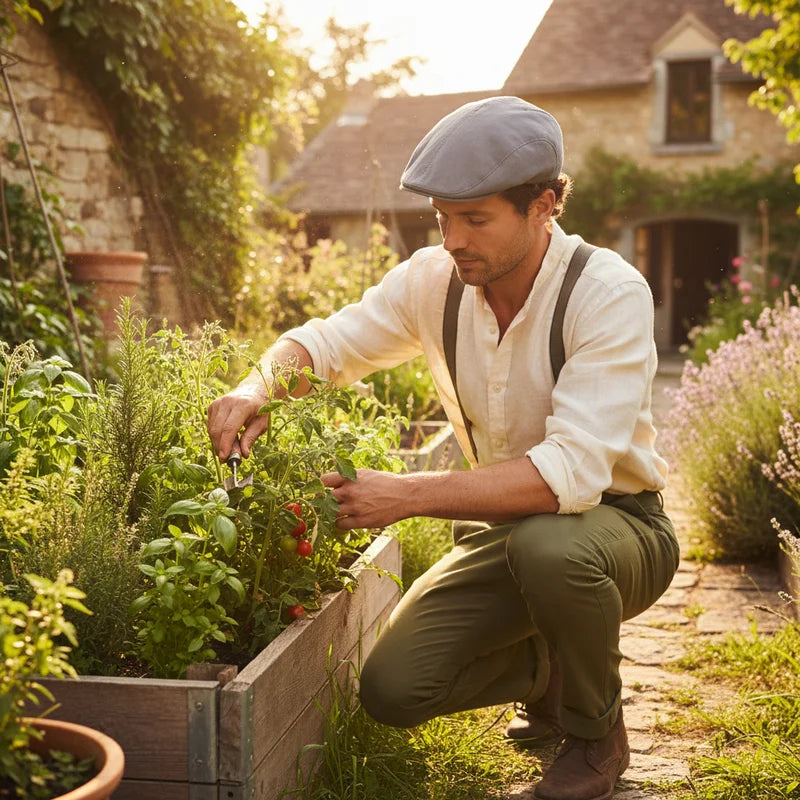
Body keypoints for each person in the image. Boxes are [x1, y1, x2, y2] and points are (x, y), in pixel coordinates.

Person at [207, 95, 680, 800]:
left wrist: (405, 495)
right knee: (393, 689)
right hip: (510, 534)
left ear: (544, 205)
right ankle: (549, 670)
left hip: (619, 529)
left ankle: (595, 735)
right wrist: (256, 388)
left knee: (550, 550)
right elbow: (328, 343)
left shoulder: (606, 293)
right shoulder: (436, 281)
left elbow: (570, 475)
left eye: (475, 219)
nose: (453, 238)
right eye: (442, 217)